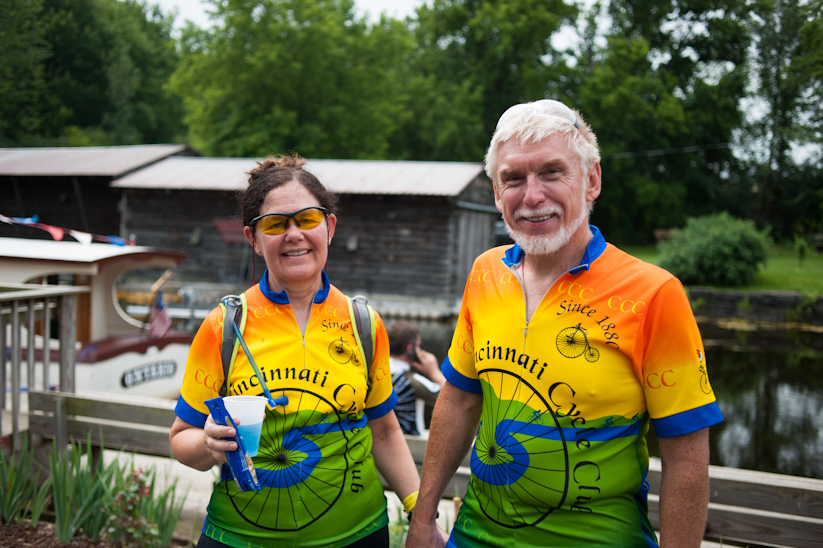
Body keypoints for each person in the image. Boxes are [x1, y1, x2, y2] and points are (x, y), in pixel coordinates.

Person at [407, 100, 724, 548]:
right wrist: (423, 520)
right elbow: (459, 400)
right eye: (513, 178)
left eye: (552, 172)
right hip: (475, 535)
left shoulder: (654, 294)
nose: (532, 196)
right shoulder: (485, 272)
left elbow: (687, 455)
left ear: (591, 180)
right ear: (496, 193)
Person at [169, 154, 421, 548]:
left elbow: (385, 432)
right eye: (275, 224)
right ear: (253, 239)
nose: (294, 234)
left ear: (329, 227)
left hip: (357, 535)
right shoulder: (224, 326)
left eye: (307, 219)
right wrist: (208, 443)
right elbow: (181, 437)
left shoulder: (364, 323)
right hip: (241, 536)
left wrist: (419, 512)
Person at [386, 321, 446, 436]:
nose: (422, 351)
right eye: (420, 346)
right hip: (409, 440)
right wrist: (434, 372)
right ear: (410, 349)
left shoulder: (377, 372)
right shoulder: (410, 380)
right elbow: (452, 398)